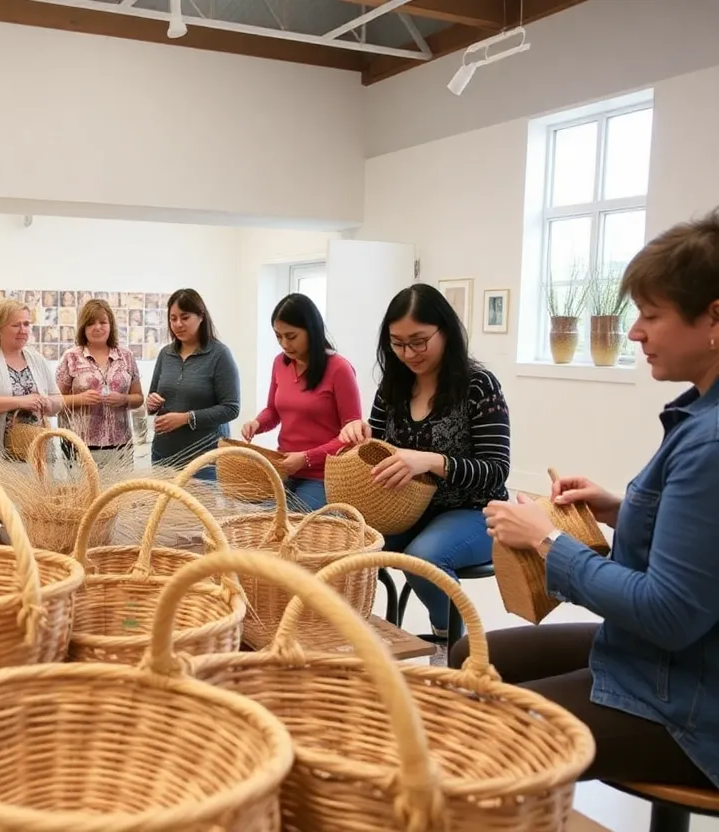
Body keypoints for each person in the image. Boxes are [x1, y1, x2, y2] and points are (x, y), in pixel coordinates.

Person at [473, 212, 719, 789]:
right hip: (663, 661)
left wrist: (545, 539)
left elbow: (668, 613)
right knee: (472, 657)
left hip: (686, 700)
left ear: (714, 317)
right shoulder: (700, 416)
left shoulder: (711, 441)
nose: (634, 332)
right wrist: (617, 508)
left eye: (652, 316)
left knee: (483, 728)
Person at [338, 283, 510, 640]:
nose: (408, 353)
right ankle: (357, 640)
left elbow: (496, 469)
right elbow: (382, 453)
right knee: (341, 539)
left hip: (476, 511)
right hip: (406, 508)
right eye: (397, 343)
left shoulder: (478, 386)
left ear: (444, 331)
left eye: (419, 341)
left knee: (424, 559)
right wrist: (361, 437)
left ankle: (449, 638)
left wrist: (431, 461)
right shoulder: (392, 387)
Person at [241, 294, 361, 511]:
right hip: (285, 469)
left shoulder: (339, 369)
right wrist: (257, 423)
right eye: (278, 336)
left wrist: (306, 458)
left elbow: (352, 438)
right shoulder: (280, 363)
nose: (284, 344)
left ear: (311, 330)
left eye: (291, 336)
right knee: (260, 518)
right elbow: (273, 411)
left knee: (295, 524)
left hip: (322, 476)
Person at [146, 288, 240, 476]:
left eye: (185, 317)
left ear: (201, 316)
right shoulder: (166, 354)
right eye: (173, 319)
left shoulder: (219, 355)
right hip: (163, 455)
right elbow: (152, 400)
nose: (178, 324)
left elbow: (231, 408)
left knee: (198, 506)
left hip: (203, 459)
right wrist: (151, 403)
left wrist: (186, 418)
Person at [0, 299, 62, 454]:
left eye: (26, 324)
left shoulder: (37, 358)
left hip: (32, 453)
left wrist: (47, 403)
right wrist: (20, 402)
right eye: (16, 325)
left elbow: (58, 399)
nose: (23, 330)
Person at [56, 299, 144, 465]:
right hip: (78, 446)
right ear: (83, 327)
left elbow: (138, 398)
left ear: (111, 325)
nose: (97, 327)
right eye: (91, 323)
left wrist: (124, 399)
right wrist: (80, 399)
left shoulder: (126, 356)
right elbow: (53, 401)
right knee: (81, 492)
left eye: (103, 322)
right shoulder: (71, 357)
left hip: (120, 446)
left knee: (120, 491)